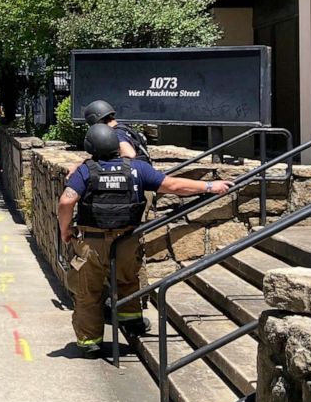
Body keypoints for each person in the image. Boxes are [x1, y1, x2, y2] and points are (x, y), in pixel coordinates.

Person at [57, 124, 231, 358]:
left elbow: (66, 202)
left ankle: (90, 343)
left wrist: (65, 230)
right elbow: (175, 186)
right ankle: (132, 321)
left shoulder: (85, 171)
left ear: (91, 148)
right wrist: (210, 186)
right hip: (127, 240)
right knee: (128, 280)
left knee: (88, 293)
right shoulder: (137, 168)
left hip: (92, 243)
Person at [82, 100, 152, 163]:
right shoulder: (125, 128)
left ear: (98, 121)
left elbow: (130, 154)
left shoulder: (116, 133)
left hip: (136, 173)